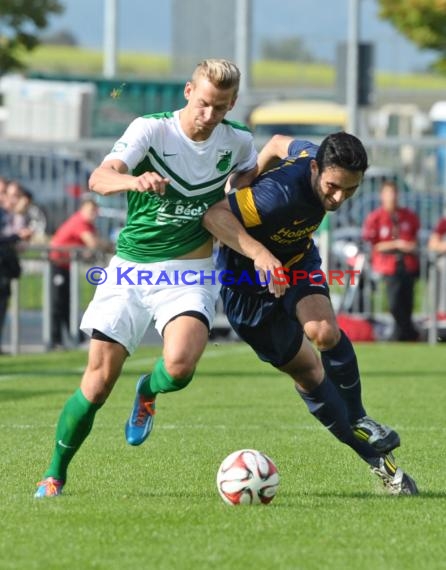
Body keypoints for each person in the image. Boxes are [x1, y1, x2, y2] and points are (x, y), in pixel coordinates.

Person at [34, 59, 280, 498]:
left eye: (220, 108)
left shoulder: (238, 139)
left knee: (181, 367)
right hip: (129, 269)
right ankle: (54, 474)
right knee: (97, 382)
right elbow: (99, 177)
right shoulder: (151, 129)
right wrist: (133, 181)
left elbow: (245, 173)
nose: (209, 116)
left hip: (188, 272)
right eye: (203, 103)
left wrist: (242, 190)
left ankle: (148, 388)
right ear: (189, 91)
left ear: (232, 104)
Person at [202, 133, 418, 495]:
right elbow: (214, 215)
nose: (337, 198)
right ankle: (374, 458)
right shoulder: (276, 196)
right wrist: (257, 250)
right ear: (315, 168)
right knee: (311, 374)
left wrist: (251, 171)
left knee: (324, 332)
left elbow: (275, 142)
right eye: (333, 187)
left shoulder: (312, 151)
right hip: (246, 289)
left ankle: (360, 420)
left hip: (298, 261)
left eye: (349, 191)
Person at [49, 196, 111, 348]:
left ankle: (73, 339)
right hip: (57, 264)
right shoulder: (80, 222)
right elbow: (94, 243)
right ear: (82, 209)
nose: (94, 214)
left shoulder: (87, 224)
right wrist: (106, 245)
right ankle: (55, 340)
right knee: (58, 303)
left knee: (66, 303)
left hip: (66, 266)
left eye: (95, 211)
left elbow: (95, 244)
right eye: (91, 210)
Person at [362, 180, 420, 341]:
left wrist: (409, 247)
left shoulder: (409, 215)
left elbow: (414, 241)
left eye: (394, 193)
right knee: (394, 302)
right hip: (387, 265)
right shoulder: (376, 217)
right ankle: (407, 333)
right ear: (382, 196)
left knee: (407, 302)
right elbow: (373, 245)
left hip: (408, 264)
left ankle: (405, 334)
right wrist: (396, 244)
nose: (392, 197)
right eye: (388, 193)